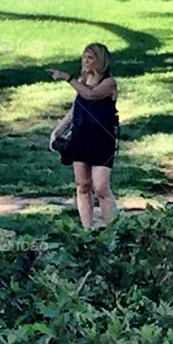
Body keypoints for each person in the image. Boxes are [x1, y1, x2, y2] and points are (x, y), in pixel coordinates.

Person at [48, 43, 119, 229]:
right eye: (84, 57)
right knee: (82, 185)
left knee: (101, 187)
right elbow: (75, 109)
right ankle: (87, 229)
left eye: (90, 58)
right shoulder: (82, 80)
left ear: (100, 61)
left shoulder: (109, 83)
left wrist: (68, 78)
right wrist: (58, 131)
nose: (86, 61)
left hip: (102, 139)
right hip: (81, 136)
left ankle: (114, 229)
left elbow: (92, 95)